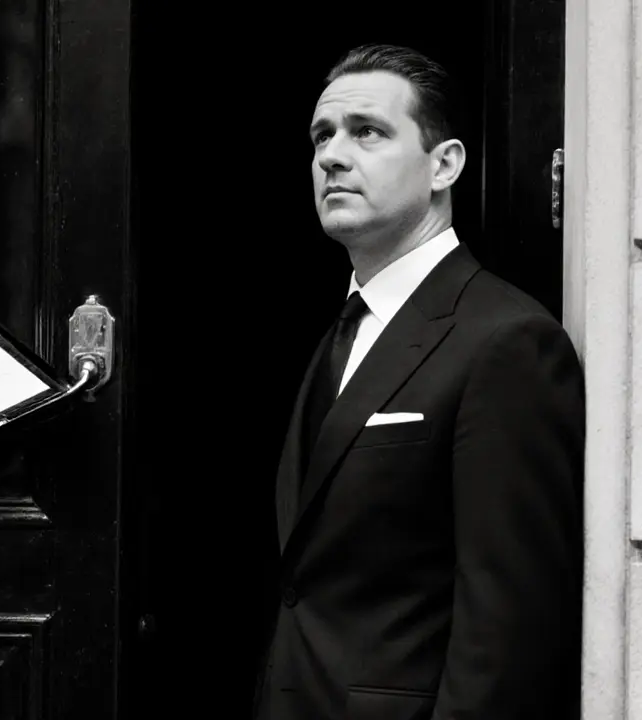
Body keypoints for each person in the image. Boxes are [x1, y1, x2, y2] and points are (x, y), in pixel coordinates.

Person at [253, 44, 586, 720]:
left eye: (367, 131)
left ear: (445, 164)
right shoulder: (338, 334)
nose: (331, 157)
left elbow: (511, 631)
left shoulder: (507, 342)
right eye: (322, 136)